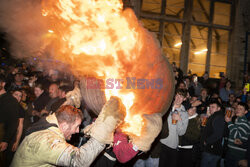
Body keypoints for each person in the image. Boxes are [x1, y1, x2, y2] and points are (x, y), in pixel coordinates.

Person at [11, 96, 126, 167]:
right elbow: (78, 161)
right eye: (76, 126)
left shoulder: (51, 121)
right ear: (64, 125)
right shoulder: (47, 141)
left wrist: (72, 98)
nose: (77, 131)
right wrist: (103, 130)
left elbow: (60, 112)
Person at [159, 89, 189, 167]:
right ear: (174, 96)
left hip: (172, 145)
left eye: (181, 96)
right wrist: (172, 109)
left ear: (184, 99)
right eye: (177, 95)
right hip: (161, 142)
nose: (178, 98)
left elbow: (181, 132)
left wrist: (179, 119)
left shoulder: (184, 114)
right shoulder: (166, 106)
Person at [200, 99, 225, 167]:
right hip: (210, 150)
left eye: (213, 107)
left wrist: (207, 141)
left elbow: (218, 134)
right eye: (210, 107)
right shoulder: (214, 116)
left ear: (218, 108)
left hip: (212, 150)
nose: (210, 108)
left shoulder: (218, 117)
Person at [224, 102, 250, 167]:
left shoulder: (245, 123)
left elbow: (236, 135)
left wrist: (229, 122)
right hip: (230, 152)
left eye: (241, 109)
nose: (237, 110)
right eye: (237, 108)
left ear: (245, 112)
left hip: (237, 155)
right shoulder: (236, 121)